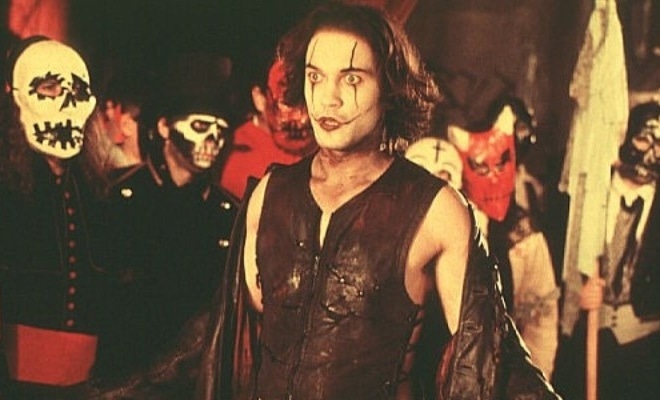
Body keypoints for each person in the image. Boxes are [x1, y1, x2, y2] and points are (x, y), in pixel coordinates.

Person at [196, 3, 561, 399]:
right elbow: (219, 333)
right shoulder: (270, 193)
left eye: (351, 79)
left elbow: (495, 359)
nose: (328, 99)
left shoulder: (437, 210)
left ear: (389, 88)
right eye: (315, 76)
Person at [91, 54, 239, 398]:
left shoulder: (228, 213)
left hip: (191, 383)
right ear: (164, 127)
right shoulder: (117, 197)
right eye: (199, 126)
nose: (213, 139)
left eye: (220, 130)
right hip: (121, 377)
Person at [0, 35, 108, 399]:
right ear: (16, 98)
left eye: (78, 92)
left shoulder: (93, 192)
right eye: (49, 89)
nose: (67, 104)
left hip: (81, 381)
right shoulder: (8, 191)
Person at [554, 101, 660, 400]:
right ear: (625, 137)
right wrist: (576, 294)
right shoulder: (584, 198)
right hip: (584, 345)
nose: (652, 153)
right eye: (644, 139)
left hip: (646, 356)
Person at [448, 102, 559, 380]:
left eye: (501, 165)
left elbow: (541, 321)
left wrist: (535, 383)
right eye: (482, 167)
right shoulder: (447, 225)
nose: (495, 178)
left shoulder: (527, 236)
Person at [219, 57, 317, 200]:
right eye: (288, 104)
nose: (302, 117)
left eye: (306, 101)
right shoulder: (238, 159)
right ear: (259, 99)